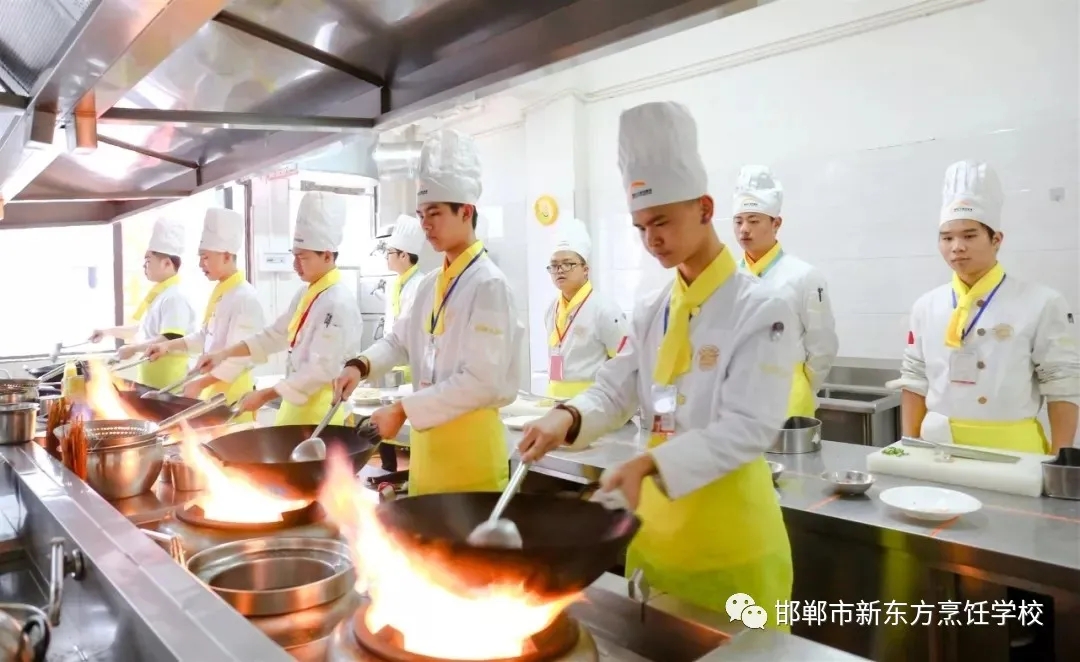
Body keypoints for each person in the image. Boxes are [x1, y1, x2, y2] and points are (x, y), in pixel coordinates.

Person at [517, 101, 800, 625]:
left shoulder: (760, 308)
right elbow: (616, 387)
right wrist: (567, 418)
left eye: (663, 221)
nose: (652, 240)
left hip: (731, 544)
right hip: (658, 539)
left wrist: (649, 463)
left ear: (706, 208)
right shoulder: (653, 308)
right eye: (641, 226)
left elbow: (747, 427)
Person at [333, 129, 524, 496]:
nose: (425, 224)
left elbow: (480, 381)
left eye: (434, 213)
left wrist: (403, 409)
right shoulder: (430, 284)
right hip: (428, 451)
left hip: (470, 456)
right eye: (421, 215)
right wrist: (360, 364)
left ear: (466, 211)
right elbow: (399, 341)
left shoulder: (488, 285)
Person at [891, 160, 1079, 453]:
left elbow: (1062, 383)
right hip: (938, 447)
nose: (957, 247)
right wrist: (910, 444)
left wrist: (1063, 457)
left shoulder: (1042, 302)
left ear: (996, 240)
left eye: (969, 235)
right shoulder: (927, 305)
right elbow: (914, 379)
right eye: (947, 237)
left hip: (1013, 450)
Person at [195, 191, 363, 425]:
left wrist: (265, 395)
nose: (295, 265)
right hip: (295, 408)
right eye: (294, 256)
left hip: (323, 415)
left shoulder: (338, 302)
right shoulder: (306, 294)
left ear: (326, 255)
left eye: (302, 258)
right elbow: (273, 336)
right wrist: (223, 354)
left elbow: (320, 370)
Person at [733, 165, 838, 418]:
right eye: (738, 221)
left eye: (753, 221)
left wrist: (801, 386)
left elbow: (822, 345)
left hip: (788, 398)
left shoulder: (804, 276)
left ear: (776, 223)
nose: (744, 229)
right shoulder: (727, 278)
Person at [143, 208, 265, 422]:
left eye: (205, 257)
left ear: (227, 256)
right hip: (211, 393)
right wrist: (167, 346)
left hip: (233, 397)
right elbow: (204, 337)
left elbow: (240, 357)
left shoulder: (245, 298)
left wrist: (200, 383)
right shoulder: (223, 292)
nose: (200, 264)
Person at [91, 217, 195, 389]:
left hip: (170, 383)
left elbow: (169, 337)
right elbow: (141, 330)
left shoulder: (175, 297)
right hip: (154, 381)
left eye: (148, 261)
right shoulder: (160, 295)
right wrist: (106, 332)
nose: (144, 267)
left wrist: (133, 349)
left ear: (167, 263)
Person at [544, 217, 628, 399]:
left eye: (568, 263)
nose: (559, 270)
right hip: (554, 401)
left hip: (592, 404)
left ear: (585, 269)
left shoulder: (605, 310)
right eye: (554, 265)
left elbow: (625, 363)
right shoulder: (552, 309)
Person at [379, 213, 426, 472]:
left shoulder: (420, 285)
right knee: (385, 413)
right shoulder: (395, 285)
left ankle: (411, 469)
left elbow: (411, 331)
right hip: (393, 361)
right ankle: (388, 468)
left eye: (390, 252)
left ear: (405, 255)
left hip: (411, 364)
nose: (387, 256)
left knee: (410, 419)